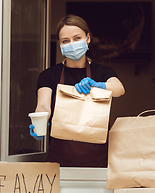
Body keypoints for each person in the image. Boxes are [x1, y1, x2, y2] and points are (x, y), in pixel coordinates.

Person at [29, 14, 125, 167]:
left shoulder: (102, 72)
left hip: (97, 160)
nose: (72, 44)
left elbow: (119, 88)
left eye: (77, 38)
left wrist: (98, 85)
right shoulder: (48, 75)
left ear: (88, 38)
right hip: (59, 160)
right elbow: (43, 105)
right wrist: (40, 121)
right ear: (60, 44)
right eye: (65, 41)